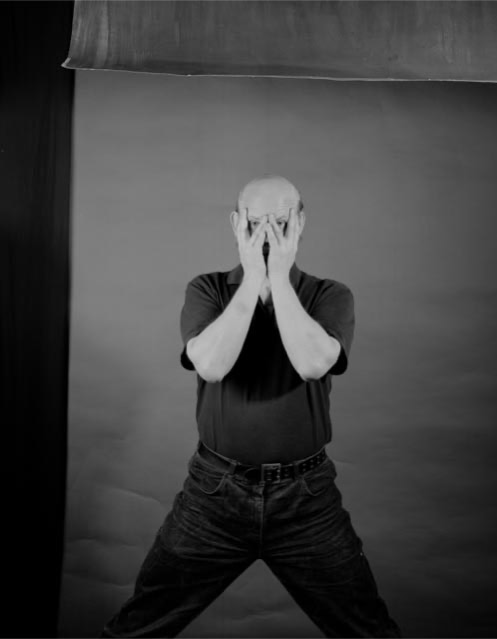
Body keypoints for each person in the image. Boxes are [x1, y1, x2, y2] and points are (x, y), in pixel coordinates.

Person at [101, 175, 401, 638]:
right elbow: (211, 365)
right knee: (138, 628)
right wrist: (253, 279)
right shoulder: (208, 289)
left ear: (300, 223)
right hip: (214, 494)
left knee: (369, 632)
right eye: (255, 223)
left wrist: (278, 278)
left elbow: (312, 364)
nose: (267, 236)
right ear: (235, 224)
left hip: (306, 499)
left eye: (280, 223)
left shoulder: (330, 295)